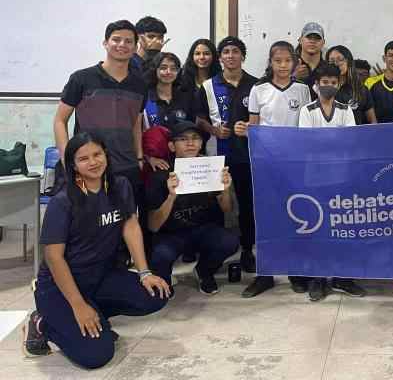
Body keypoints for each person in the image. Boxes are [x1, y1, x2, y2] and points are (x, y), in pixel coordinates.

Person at [23, 133, 170, 368]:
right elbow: (53, 257)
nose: (93, 162)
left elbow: (130, 225)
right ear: (72, 165)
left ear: (106, 156)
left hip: (101, 276)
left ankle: (95, 318)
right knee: (97, 356)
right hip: (61, 286)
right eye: (83, 159)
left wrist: (144, 273)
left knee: (156, 294)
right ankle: (43, 322)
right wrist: (78, 305)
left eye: (97, 154)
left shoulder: (119, 186)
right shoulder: (64, 200)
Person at [53, 20, 147, 239]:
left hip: (126, 165)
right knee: (86, 226)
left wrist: (139, 157)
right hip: (90, 165)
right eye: (116, 39)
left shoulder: (140, 84)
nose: (122, 44)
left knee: (124, 222)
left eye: (128, 41)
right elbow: (60, 120)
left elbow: (136, 124)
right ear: (105, 43)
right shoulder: (82, 78)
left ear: (134, 47)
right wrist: (69, 159)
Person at [246, 40, 312, 297]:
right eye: (278, 61)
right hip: (266, 164)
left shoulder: (303, 90)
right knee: (267, 217)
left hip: (295, 164)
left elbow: (307, 125)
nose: (283, 66)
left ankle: (295, 271)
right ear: (270, 62)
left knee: (294, 215)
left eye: (288, 61)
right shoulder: (258, 90)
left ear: (295, 63)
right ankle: (265, 274)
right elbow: (253, 128)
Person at [297, 63, 367, 301]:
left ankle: (341, 276)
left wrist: (326, 143)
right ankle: (317, 277)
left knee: (342, 226)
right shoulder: (307, 110)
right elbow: (306, 143)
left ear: (339, 84)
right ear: (315, 85)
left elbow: (352, 141)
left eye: (332, 82)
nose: (328, 86)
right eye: (323, 82)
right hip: (314, 179)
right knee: (318, 228)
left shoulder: (345, 110)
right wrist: (334, 143)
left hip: (341, 177)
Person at [194, 37, 259, 289]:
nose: (230, 56)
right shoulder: (208, 86)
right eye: (226, 52)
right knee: (214, 206)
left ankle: (246, 250)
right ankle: (213, 257)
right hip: (216, 155)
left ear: (243, 56)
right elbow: (198, 118)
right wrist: (212, 128)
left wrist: (250, 128)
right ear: (220, 58)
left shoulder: (256, 85)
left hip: (247, 155)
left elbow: (264, 119)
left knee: (247, 205)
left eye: (235, 51)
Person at [147, 122, 239, 296]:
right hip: (172, 234)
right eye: (183, 139)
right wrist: (171, 196)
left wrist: (226, 189)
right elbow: (153, 226)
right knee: (160, 255)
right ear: (172, 146)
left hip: (204, 229)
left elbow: (226, 209)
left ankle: (204, 270)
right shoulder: (160, 175)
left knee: (229, 241)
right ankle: (163, 281)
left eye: (195, 138)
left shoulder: (211, 169)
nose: (190, 143)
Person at [142, 52, 194, 132]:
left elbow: (191, 128)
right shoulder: (144, 98)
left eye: (173, 69)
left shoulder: (186, 98)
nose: (168, 72)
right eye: (163, 68)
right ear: (155, 69)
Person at [326, 45, 377, 124]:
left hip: (355, 135)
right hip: (330, 134)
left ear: (349, 62)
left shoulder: (361, 89)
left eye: (340, 60)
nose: (336, 64)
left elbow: (372, 121)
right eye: (332, 61)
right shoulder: (322, 88)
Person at [293, 22, 326, 90]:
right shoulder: (288, 64)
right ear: (300, 40)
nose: (313, 41)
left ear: (323, 42)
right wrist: (293, 77)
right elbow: (269, 88)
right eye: (309, 37)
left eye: (317, 38)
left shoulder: (328, 68)